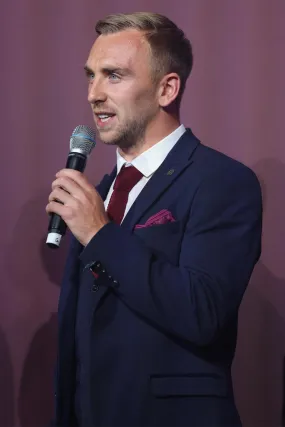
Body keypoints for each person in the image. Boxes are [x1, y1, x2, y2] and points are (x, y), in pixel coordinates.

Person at [46, 12, 262, 427]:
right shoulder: (104, 189)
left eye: (113, 76)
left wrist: (100, 233)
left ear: (167, 89)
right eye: (90, 76)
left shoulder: (222, 181)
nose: (94, 93)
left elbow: (202, 312)